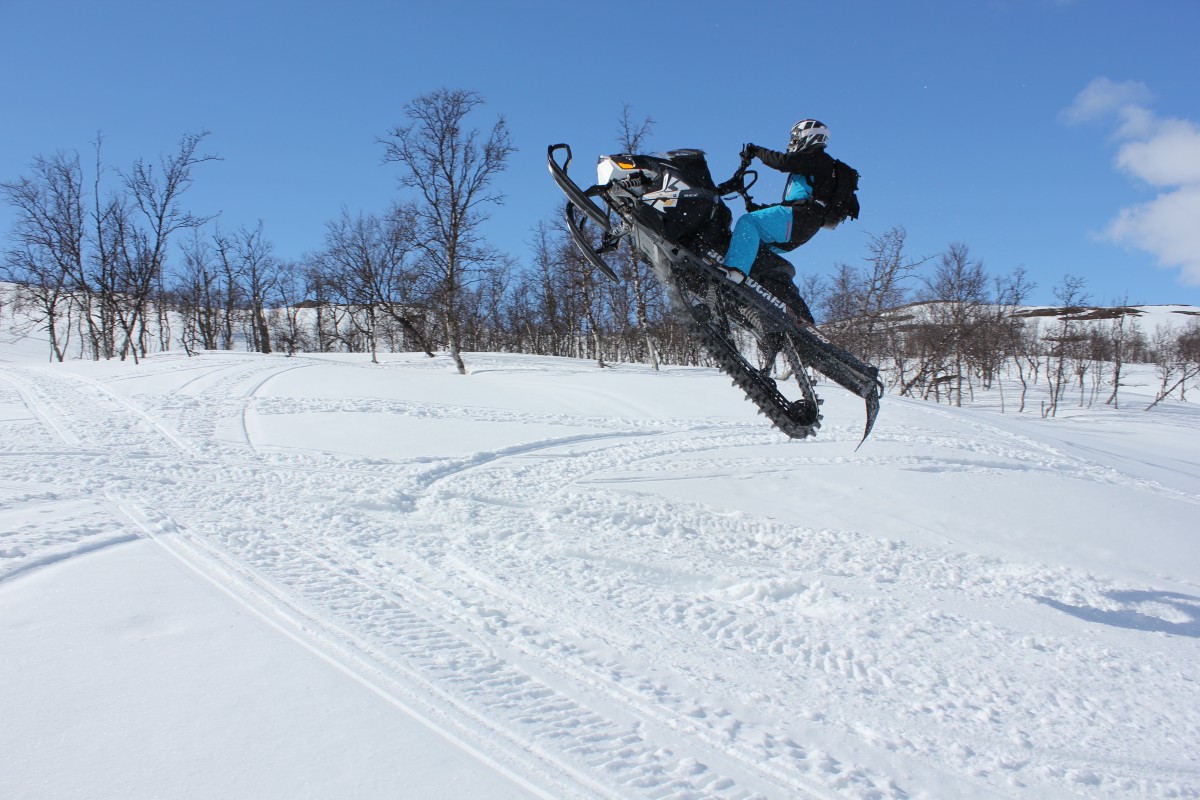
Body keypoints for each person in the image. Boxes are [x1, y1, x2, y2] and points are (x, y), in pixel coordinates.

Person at [715, 119, 845, 327]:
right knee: (757, 253)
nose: (792, 142)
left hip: (800, 217)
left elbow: (783, 162)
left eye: (795, 137)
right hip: (803, 225)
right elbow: (797, 200)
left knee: (748, 223)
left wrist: (756, 151)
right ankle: (797, 313)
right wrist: (760, 209)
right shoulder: (820, 166)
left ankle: (735, 274)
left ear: (808, 137)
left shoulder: (816, 157)